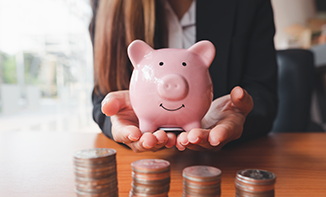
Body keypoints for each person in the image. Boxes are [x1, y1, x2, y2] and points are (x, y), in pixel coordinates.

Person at [90, 0, 278, 152]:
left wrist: (239, 114)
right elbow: (102, 98)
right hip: (138, 163)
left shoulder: (248, 4)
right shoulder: (106, 6)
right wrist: (121, 121)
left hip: (227, 162)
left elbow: (263, 95)